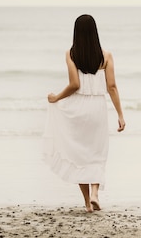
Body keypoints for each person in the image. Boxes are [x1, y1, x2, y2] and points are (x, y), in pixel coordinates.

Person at [43, 14, 125, 213]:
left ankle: (88, 203)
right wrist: (120, 115)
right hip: (97, 108)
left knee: (79, 154)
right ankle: (96, 193)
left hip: (78, 108)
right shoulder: (106, 56)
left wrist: (57, 98)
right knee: (97, 153)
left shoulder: (71, 54)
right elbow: (112, 87)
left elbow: (74, 85)